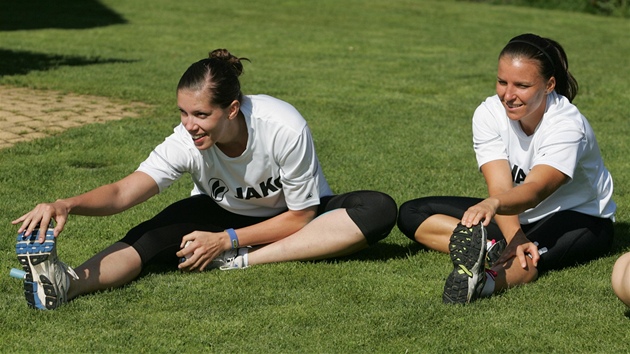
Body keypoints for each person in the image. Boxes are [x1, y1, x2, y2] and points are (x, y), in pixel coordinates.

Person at [12, 49, 398, 310]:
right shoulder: (186, 140)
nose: (189, 125)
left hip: (296, 220)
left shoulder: (283, 126)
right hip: (222, 212)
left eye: (199, 114)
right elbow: (124, 191)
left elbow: (301, 216)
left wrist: (226, 242)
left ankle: (239, 261)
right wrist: (66, 204)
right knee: (150, 236)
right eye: (183, 112)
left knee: (378, 208)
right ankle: (67, 284)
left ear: (231, 109)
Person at [397, 33, 616, 304]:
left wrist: (495, 209)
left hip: (580, 218)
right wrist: (511, 232)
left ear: (549, 85)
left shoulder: (567, 125)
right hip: (516, 214)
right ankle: (489, 249)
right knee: (412, 213)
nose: (508, 95)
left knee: (529, 256)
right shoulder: (489, 113)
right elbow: (501, 187)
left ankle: (481, 284)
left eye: (522, 85)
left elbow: (536, 190)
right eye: (502, 82)